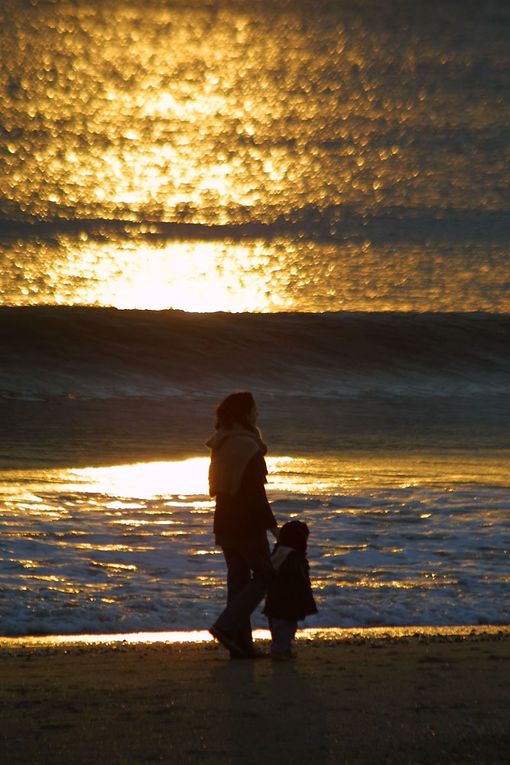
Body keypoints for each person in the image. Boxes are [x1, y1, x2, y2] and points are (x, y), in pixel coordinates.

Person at [206, 391, 279, 659]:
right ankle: (226, 626)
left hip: (223, 521)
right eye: (254, 409)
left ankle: (240, 645)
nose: (257, 414)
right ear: (245, 414)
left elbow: (218, 487)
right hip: (246, 524)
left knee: (238, 582)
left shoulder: (221, 443)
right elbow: (255, 495)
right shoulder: (248, 447)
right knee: (265, 576)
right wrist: (273, 527)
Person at [263, 520, 317, 660]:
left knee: (278, 628)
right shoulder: (294, 558)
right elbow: (300, 581)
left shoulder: (278, 554)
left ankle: (280, 649)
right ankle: (281, 651)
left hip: (274, 600)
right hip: (288, 601)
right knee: (285, 628)